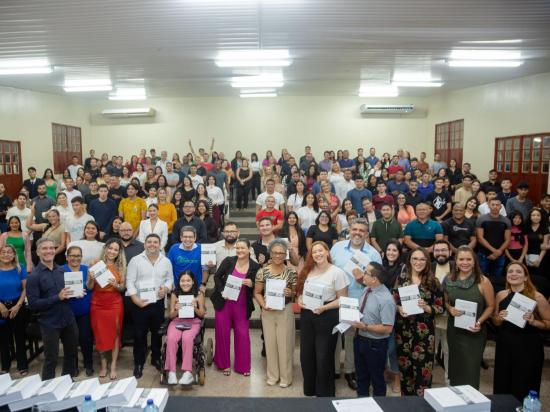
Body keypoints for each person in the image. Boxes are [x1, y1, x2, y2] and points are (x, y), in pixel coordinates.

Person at [330, 218, 382, 390]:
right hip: (336, 299)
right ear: (349, 230)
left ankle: (351, 371)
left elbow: (378, 282)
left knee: (352, 337)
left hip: (359, 301)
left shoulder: (373, 254)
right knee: (335, 333)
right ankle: (335, 368)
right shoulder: (337, 248)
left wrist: (362, 280)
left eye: (361, 230)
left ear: (366, 234)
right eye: (355, 229)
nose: (357, 233)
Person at [296, 241, 349, 397]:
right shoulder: (308, 271)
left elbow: (342, 299)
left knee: (323, 355)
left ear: (327, 252)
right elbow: (300, 292)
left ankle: (325, 392)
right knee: (306, 354)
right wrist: (299, 299)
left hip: (327, 315)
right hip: (307, 315)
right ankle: (310, 388)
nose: (317, 254)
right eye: (314, 252)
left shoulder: (337, 272)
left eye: (320, 250)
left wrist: (324, 307)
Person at [492, 262, 550, 401]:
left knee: (524, 383)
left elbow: (548, 323)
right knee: (503, 383)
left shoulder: (537, 297)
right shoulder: (501, 295)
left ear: (525, 277)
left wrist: (533, 321)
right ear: (506, 276)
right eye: (510, 271)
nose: (513, 274)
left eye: (518, 271)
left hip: (528, 346)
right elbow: (495, 321)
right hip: (505, 345)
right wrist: (499, 318)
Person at [392, 247, 444, 396]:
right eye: (415, 258)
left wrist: (427, 307)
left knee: (423, 372)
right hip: (403, 331)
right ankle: (407, 404)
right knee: (405, 370)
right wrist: (399, 308)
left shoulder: (434, 282)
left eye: (422, 259)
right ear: (409, 260)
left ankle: (422, 406)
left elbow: (440, 308)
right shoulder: (402, 278)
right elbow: (393, 300)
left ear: (427, 261)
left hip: (425, 334)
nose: (418, 262)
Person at [27, 237, 78, 379]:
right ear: (37, 252)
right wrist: (58, 297)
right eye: (44, 248)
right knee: (51, 359)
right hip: (49, 323)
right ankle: (47, 390)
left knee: (71, 354)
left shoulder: (61, 271)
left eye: (51, 248)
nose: (49, 251)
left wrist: (75, 294)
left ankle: (66, 383)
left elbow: (66, 295)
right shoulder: (33, 276)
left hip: (68, 319)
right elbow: (33, 304)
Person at [444, 246, 495, 389]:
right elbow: (446, 302)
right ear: (456, 261)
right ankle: (456, 397)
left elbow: (491, 306)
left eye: (468, 259)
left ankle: (471, 402)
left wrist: (479, 321)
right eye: (461, 259)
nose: (464, 262)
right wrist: (450, 309)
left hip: (474, 332)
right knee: (455, 366)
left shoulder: (483, 281)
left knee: (471, 368)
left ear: (474, 262)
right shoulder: (449, 279)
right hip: (454, 331)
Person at [126, 234, 173, 378]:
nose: (152, 244)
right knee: (139, 335)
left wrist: (166, 288)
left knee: (157, 333)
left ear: (160, 245)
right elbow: (129, 281)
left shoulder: (166, 261)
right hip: (139, 304)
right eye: (149, 242)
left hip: (158, 303)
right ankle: (139, 362)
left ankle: (156, 358)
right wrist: (135, 299)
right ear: (145, 244)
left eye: (155, 242)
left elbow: (170, 279)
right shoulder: (136, 260)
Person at [211, 239, 259, 376]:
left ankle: (243, 366)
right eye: (237, 248)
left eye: (243, 248)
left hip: (242, 304)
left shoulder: (255, 266)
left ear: (249, 249)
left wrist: (252, 283)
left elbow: (259, 285)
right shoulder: (229, 261)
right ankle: (223, 364)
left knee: (243, 334)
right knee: (222, 333)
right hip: (225, 302)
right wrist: (221, 291)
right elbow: (217, 277)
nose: (239, 251)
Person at [254, 239, 297, 387]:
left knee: (285, 344)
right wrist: (263, 305)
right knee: (270, 344)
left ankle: (286, 378)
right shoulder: (262, 271)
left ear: (285, 255)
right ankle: (272, 376)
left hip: (285, 310)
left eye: (281, 253)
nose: (278, 255)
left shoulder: (291, 272)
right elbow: (257, 292)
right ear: (270, 254)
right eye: (275, 252)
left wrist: (290, 292)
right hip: (268, 311)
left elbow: (295, 294)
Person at [352, 262, 396, 397]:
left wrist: (365, 327)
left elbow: (388, 328)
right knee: (361, 377)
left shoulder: (386, 299)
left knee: (377, 380)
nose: (362, 274)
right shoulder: (368, 289)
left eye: (366, 273)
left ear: (374, 279)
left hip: (375, 345)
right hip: (360, 339)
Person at [165, 270, 206, 385]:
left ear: (193, 282)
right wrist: (177, 309)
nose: (185, 283)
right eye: (182, 281)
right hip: (177, 321)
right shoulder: (174, 293)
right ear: (179, 282)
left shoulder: (198, 294)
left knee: (187, 338)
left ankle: (188, 373)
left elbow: (202, 314)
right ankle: (172, 372)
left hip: (193, 321)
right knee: (171, 339)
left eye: (188, 280)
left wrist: (195, 308)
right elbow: (171, 315)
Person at [63, 245, 94, 376]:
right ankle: (73, 366)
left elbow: (91, 288)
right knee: (70, 340)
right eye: (72, 255)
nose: (75, 258)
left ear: (81, 257)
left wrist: (91, 280)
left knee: (85, 339)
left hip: (84, 310)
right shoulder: (60, 270)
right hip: (67, 311)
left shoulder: (87, 269)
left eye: (78, 256)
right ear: (67, 257)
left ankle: (88, 364)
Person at [0, 244, 28, 375]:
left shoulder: (19, 268)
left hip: (17, 304)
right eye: (3, 252)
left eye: (9, 252)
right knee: (3, 338)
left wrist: (18, 305)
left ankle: (22, 365)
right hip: (0, 306)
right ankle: (5, 365)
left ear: (14, 255)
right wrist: (1, 306)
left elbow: (25, 289)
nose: (6, 254)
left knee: (20, 336)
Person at [382, 240, 405, 394]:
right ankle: (385, 371)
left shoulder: (404, 270)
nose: (391, 253)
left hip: (398, 312)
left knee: (392, 348)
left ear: (399, 253)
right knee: (382, 345)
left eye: (394, 250)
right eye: (389, 249)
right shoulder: (380, 267)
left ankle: (397, 376)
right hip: (381, 311)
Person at [432, 240, 454, 385]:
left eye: (443, 250)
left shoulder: (456, 268)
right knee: (429, 351)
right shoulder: (428, 267)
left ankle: (449, 383)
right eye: (437, 250)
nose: (440, 253)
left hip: (449, 317)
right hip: (431, 317)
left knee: (448, 351)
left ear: (450, 252)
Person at [476, 198, 511, 277]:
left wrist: (498, 252)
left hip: (500, 254)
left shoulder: (506, 221)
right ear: (488, 205)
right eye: (493, 205)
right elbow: (480, 238)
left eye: (497, 205)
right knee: (482, 277)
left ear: (501, 206)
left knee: (497, 277)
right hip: (484, 254)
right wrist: (495, 251)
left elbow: (508, 239)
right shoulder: (481, 219)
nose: (495, 207)